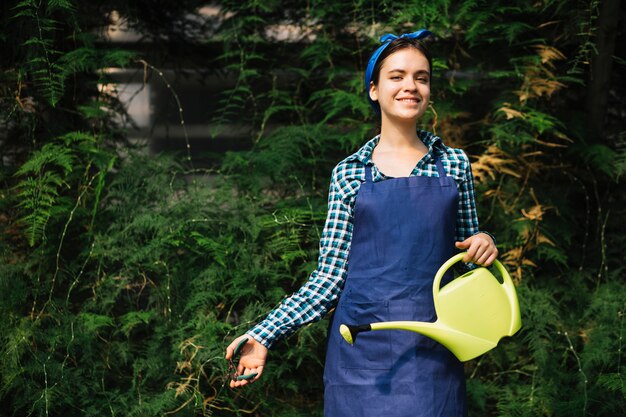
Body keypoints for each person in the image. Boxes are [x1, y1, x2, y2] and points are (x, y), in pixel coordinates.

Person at [225, 29, 498, 416]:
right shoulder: (350, 173)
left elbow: (470, 257)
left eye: (421, 77)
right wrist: (266, 334)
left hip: (433, 351)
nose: (411, 86)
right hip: (360, 354)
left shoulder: (454, 165)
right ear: (374, 89)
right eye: (397, 76)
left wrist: (484, 241)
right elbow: (329, 279)